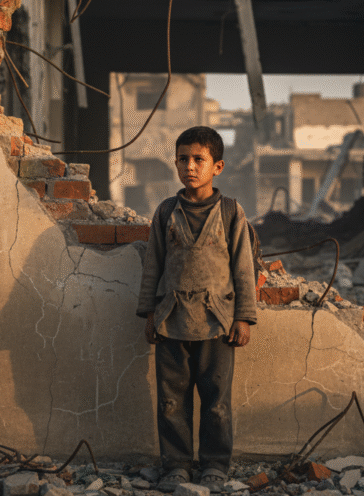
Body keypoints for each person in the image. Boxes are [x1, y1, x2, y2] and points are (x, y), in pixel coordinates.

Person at [136, 126, 257, 493]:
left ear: (217, 166)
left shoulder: (232, 213)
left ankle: (215, 464)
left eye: (199, 160)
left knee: (216, 401)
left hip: (217, 323)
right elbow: (153, 265)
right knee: (172, 400)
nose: (190, 166)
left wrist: (243, 317)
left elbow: (243, 268)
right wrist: (149, 312)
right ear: (176, 163)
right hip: (172, 319)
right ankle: (176, 464)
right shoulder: (166, 212)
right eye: (183, 159)